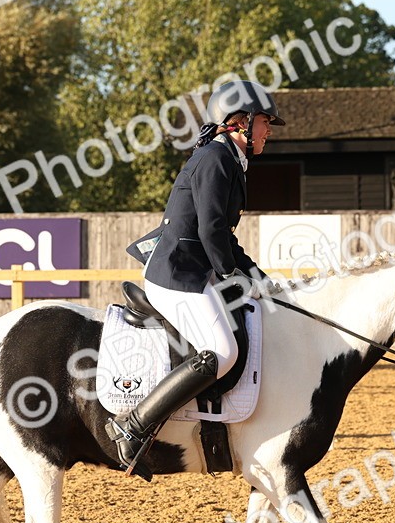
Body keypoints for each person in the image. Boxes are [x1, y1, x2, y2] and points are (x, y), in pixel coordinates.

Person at [106, 80, 284, 479]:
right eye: (265, 122)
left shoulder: (230, 159)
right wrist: (232, 275)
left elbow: (225, 237)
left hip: (193, 271)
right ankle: (132, 425)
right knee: (223, 351)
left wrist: (260, 279)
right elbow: (210, 232)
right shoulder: (216, 159)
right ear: (239, 121)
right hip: (177, 275)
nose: (268, 130)